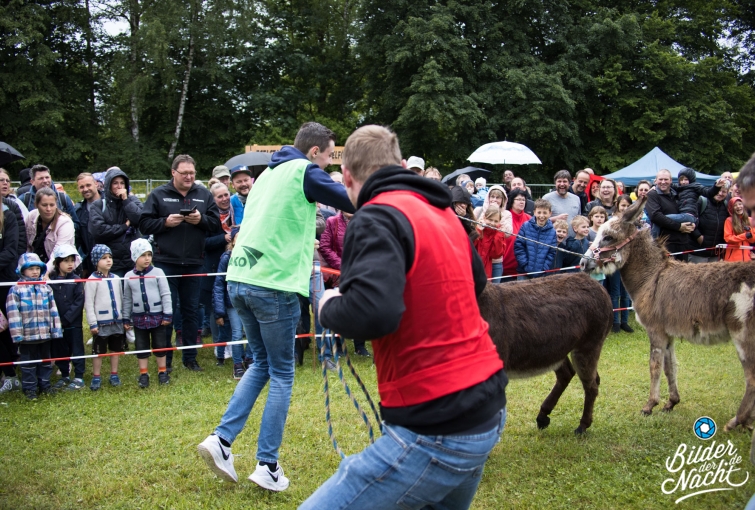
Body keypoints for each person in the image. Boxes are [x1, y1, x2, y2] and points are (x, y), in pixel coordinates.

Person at [299, 124, 506, 510]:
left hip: (437, 422)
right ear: (398, 164)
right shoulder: (443, 211)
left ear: (347, 176)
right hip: (488, 405)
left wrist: (327, 305)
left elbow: (373, 312)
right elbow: (477, 282)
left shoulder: (375, 216)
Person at [197, 122, 355, 490]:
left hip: (241, 279)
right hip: (273, 284)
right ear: (314, 152)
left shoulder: (267, 175)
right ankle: (267, 464)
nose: (327, 163)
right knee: (282, 372)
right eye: (328, 156)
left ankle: (221, 440)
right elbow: (352, 200)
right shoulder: (305, 171)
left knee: (262, 363)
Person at [139, 154, 221, 372]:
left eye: (192, 173)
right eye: (184, 173)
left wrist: (201, 220)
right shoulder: (158, 194)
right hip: (166, 262)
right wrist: (164, 223)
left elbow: (216, 224)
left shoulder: (204, 194)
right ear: (173, 172)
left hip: (194, 262)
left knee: (191, 310)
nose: (189, 177)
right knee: (167, 311)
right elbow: (143, 224)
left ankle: (190, 357)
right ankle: (165, 360)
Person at [6, 253, 62, 400]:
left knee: (46, 362)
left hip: (45, 334)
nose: (35, 272)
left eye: (37, 268)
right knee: (28, 364)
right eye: (31, 269)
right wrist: (17, 335)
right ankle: (30, 388)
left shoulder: (46, 288)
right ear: (22, 270)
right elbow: (13, 314)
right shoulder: (16, 290)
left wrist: (56, 330)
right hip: (27, 336)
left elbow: (53, 310)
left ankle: (45, 385)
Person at [319, 209, 370, 356]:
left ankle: (360, 346)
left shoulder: (367, 222)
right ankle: (338, 346)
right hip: (338, 274)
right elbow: (324, 246)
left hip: (360, 273)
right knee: (339, 308)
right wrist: (342, 266)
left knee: (360, 309)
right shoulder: (332, 222)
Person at [122, 239, 172, 388]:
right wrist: (126, 318)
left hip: (157, 317)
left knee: (160, 345)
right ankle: (143, 374)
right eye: (143, 255)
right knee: (141, 346)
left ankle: (162, 371)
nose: (147, 258)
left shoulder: (158, 273)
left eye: (149, 255)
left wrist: (167, 314)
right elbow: (127, 299)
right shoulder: (128, 276)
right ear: (134, 257)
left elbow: (165, 294)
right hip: (139, 318)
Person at [88, 168, 143, 277]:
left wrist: (126, 200)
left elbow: (140, 220)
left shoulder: (132, 201)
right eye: (115, 183)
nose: (119, 186)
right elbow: (99, 231)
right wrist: (124, 226)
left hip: (132, 260)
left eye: (122, 183)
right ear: (109, 185)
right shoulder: (98, 205)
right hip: (110, 262)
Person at [85, 245, 126, 391]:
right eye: (104, 258)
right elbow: (89, 303)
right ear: (96, 261)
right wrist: (92, 323)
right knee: (98, 351)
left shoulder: (116, 278)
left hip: (117, 321)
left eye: (110, 257)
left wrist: (124, 318)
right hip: (101, 323)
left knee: (116, 349)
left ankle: (114, 374)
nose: (108, 260)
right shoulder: (92, 280)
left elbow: (121, 298)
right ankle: (96, 376)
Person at [213, 231, 251, 379]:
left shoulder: (251, 256)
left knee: (251, 332)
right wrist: (219, 311)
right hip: (232, 302)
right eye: (238, 237)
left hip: (250, 300)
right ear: (232, 241)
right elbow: (218, 284)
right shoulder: (226, 258)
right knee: (237, 333)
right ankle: (237, 365)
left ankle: (249, 359)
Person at [47, 245, 85, 391]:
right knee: (60, 350)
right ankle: (64, 375)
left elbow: (78, 302)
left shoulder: (76, 280)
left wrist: (66, 319)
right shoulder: (51, 280)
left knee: (77, 349)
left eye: (72, 261)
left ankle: (79, 376)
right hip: (57, 324)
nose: (70, 264)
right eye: (66, 261)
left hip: (73, 324)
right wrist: (56, 320)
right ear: (57, 263)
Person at [645, 169, 696, 259]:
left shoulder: (678, 193)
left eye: (666, 179)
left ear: (671, 181)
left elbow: (692, 210)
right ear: (655, 181)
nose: (663, 182)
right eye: (660, 179)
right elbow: (655, 216)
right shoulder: (652, 194)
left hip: (683, 243)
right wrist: (678, 227)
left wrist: (693, 224)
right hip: (665, 244)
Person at [26, 188, 77, 273]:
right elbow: (27, 246)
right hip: (35, 269)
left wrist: (45, 272)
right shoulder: (31, 216)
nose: (48, 209)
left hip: (61, 269)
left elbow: (58, 253)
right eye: (44, 205)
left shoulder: (65, 222)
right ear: (36, 205)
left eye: (52, 205)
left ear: (56, 205)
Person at [18, 164, 79, 231]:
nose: (45, 181)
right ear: (32, 182)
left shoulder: (63, 198)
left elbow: (75, 223)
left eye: (47, 177)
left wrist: (63, 229)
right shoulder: (24, 200)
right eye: (41, 178)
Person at [0, 201, 20, 394]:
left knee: (5, 330)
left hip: (4, 281)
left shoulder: (8, 217)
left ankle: (10, 375)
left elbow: (11, 251)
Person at [474, 185, 511, 281]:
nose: (494, 199)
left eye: (498, 197)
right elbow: (472, 235)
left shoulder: (507, 214)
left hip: (496, 261)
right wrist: (479, 227)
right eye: (492, 197)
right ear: (488, 197)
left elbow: (508, 233)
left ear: (503, 200)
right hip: (478, 260)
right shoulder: (479, 210)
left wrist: (498, 218)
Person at [514, 199, 557, 279]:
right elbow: (519, 247)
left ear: (550, 213)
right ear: (534, 212)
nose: (541, 216)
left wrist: (544, 268)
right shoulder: (526, 226)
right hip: (524, 272)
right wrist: (524, 265)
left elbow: (552, 252)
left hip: (541, 274)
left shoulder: (552, 231)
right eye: (539, 212)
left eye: (545, 213)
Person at [689, 184, 730, 263]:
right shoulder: (702, 201)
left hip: (715, 253)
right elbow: (690, 220)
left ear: (727, 193)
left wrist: (723, 243)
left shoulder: (726, 205)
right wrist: (698, 236)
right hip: (698, 251)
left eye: (723, 192)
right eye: (718, 190)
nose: (720, 193)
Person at [73, 173, 100, 276]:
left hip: (112, 261)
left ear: (96, 184)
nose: (85, 189)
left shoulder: (110, 204)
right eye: (82, 187)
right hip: (90, 264)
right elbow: (79, 241)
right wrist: (84, 266)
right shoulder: (78, 211)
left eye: (88, 185)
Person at [543, 170, 582, 235]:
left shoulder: (576, 199)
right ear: (555, 183)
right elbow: (539, 220)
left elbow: (579, 220)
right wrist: (556, 219)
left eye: (564, 181)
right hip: (552, 238)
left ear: (569, 183)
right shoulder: (547, 198)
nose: (562, 184)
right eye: (559, 181)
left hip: (572, 239)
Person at [502, 188, 531, 276]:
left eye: (523, 200)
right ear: (511, 201)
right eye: (518, 199)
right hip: (505, 268)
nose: (522, 202)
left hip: (524, 269)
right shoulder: (504, 217)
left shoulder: (530, 219)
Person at [474, 204, 506, 281]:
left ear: (499, 222)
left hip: (486, 270)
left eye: (496, 221)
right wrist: (478, 230)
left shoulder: (498, 233)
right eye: (490, 219)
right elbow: (470, 246)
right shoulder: (477, 228)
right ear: (484, 218)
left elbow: (496, 254)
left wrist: (499, 235)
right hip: (473, 266)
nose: (492, 223)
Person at [723, 197, 754, 262]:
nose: (738, 207)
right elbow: (728, 238)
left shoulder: (750, 220)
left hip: (746, 258)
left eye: (740, 204)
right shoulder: (729, 220)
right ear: (732, 208)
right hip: (732, 258)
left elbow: (752, 240)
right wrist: (744, 236)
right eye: (735, 205)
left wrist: (749, 232)